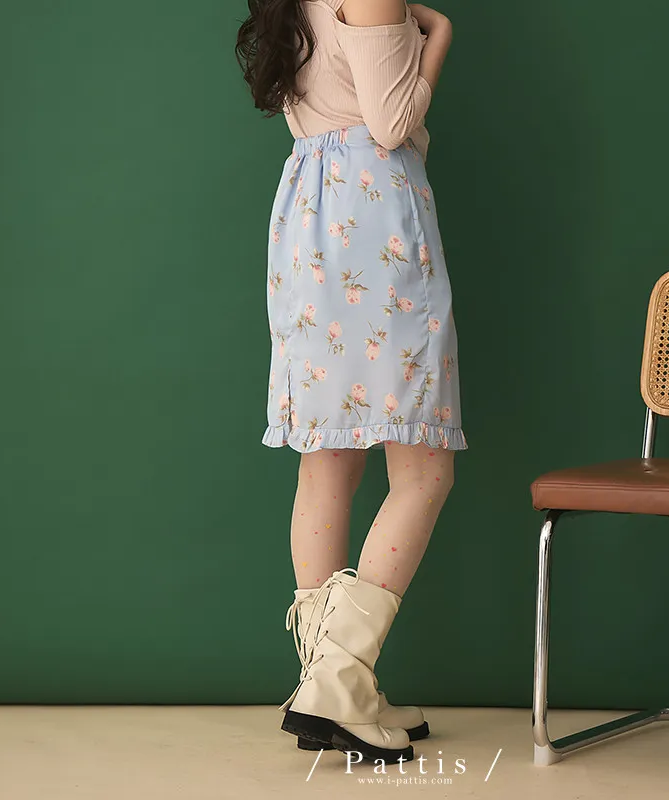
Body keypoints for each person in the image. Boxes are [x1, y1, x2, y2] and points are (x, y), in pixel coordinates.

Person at [236, 0, 461, 764]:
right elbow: (392, 123)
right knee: (422, 470)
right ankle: (338, 678)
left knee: (328, 460)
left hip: (309, 215)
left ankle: (331, 684)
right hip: (374, 217)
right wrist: (439, 38)